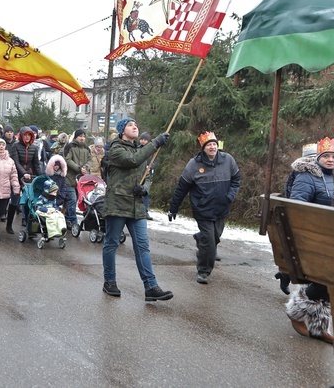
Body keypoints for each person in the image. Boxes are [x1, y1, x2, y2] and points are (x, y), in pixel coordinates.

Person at [102, 117, 173, 301]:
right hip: (118, 204)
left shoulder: (141, 151)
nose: (134, 126)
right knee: (111, 243)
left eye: (135, 124)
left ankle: (151, 287)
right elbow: (133, 160)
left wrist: (145, 189)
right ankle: (109, 281)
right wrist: (155, 143)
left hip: (137, 205)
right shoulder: (115, 149)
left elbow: (147, 175)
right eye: (130, 125)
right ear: (122, 130)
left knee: (143, 246)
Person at [168, 131, 241, 285]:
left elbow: (236, 179)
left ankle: (200, 238)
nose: (212, 147)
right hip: (203, 208)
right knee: (209, 242)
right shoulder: (194, 164)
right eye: (209, 145)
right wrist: (173, 208)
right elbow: (182, 188)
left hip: (222, 207)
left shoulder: (228, 160)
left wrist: (230, 196)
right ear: (203, 148)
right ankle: (203, 271)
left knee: (215, 237)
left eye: (214, 144)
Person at [284, 137, 334, 343]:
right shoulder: (308, 177)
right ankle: (296, 311)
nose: (331, 160)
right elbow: (297, 209)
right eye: (326, 156)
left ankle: (318, 326)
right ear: (318, 158)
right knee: (331, 279)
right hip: (315, 238)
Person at [64, 129, 90, 230]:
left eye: (84, 136)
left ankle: (67, 220)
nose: (82, 138)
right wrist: (79, 168)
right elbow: (67, 159)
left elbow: (90, 159)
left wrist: (86, 167)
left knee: (74, 201)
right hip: (69, 178)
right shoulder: (69, 146)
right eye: (80, 136)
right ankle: (74, 222)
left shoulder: (86, 148)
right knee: (72, 199)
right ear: (76, 137)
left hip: (81, 179)